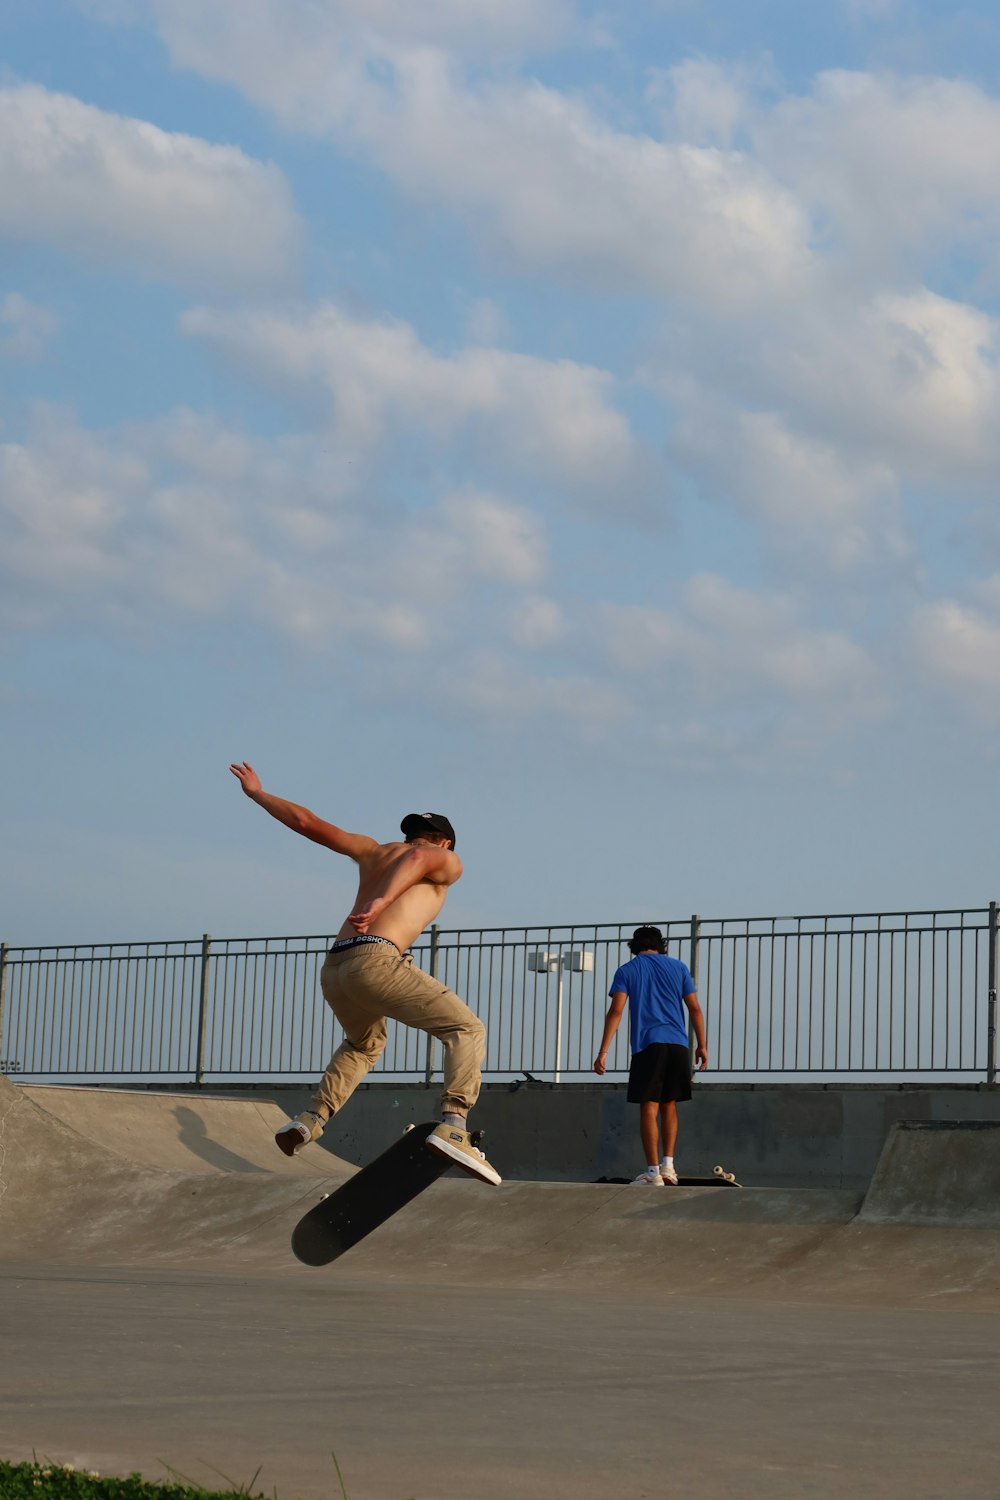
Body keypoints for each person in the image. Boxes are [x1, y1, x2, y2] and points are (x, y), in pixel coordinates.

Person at [229, 761, 500, 1185]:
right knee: (467, 1029)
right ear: (445, 842)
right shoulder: (446, 860)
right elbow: (419, 857)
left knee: (364, 1044)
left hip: (337, 967)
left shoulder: (374, 850)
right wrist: (382, 902)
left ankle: (310, 1120)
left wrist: (258, 794)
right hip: (377, 960)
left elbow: (307, 822)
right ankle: (454, 1125)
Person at [593, 925, 707, 1186]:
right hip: (678, 1045)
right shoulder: (678, 968)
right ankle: (669, 1168)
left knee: (649, 1105)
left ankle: (653, 1172)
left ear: (634, 946)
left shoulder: (627, 970)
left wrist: (603, 1051)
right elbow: (695, 1009)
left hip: (649, 1046)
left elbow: (616, 1011)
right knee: (670, 1104)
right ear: (660, 944)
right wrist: (702, 1045)